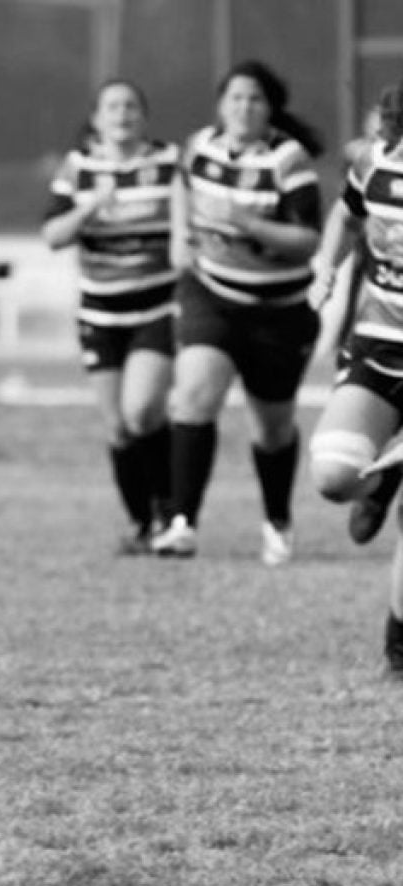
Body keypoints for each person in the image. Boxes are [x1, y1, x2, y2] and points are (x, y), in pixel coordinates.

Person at [150, 60, 324, 565]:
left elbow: (307, 241)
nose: (244, 108)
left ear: (270, 109)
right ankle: (182, 522)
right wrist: (180, 236)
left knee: (271, 427)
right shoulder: (201, 145)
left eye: (255, 99)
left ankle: (277, 522)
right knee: (193, 395)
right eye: (235, 98)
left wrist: (250, 224)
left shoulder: (288, 161)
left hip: (278, 312)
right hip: (210, 295)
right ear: (220, 105)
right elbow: (181, 182)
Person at [42, 79, 179, 554]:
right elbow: (52, 235)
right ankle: (142, 523)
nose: (122, 114)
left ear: (144, 116)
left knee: (142, 411)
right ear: (97, 119)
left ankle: (169, 512)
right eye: (112, 107)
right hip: (100, 313)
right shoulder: (78, 167)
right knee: (118, 427)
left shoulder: (169, 162)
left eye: (130, 106)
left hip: (157, 307)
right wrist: (89, 210)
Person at [308, 78, 403, 675]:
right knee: (334, 476)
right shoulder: (375, 163)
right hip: (378, 345)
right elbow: (346, 215)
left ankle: (399, 644)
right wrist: (326, 264)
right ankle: (381, 481)